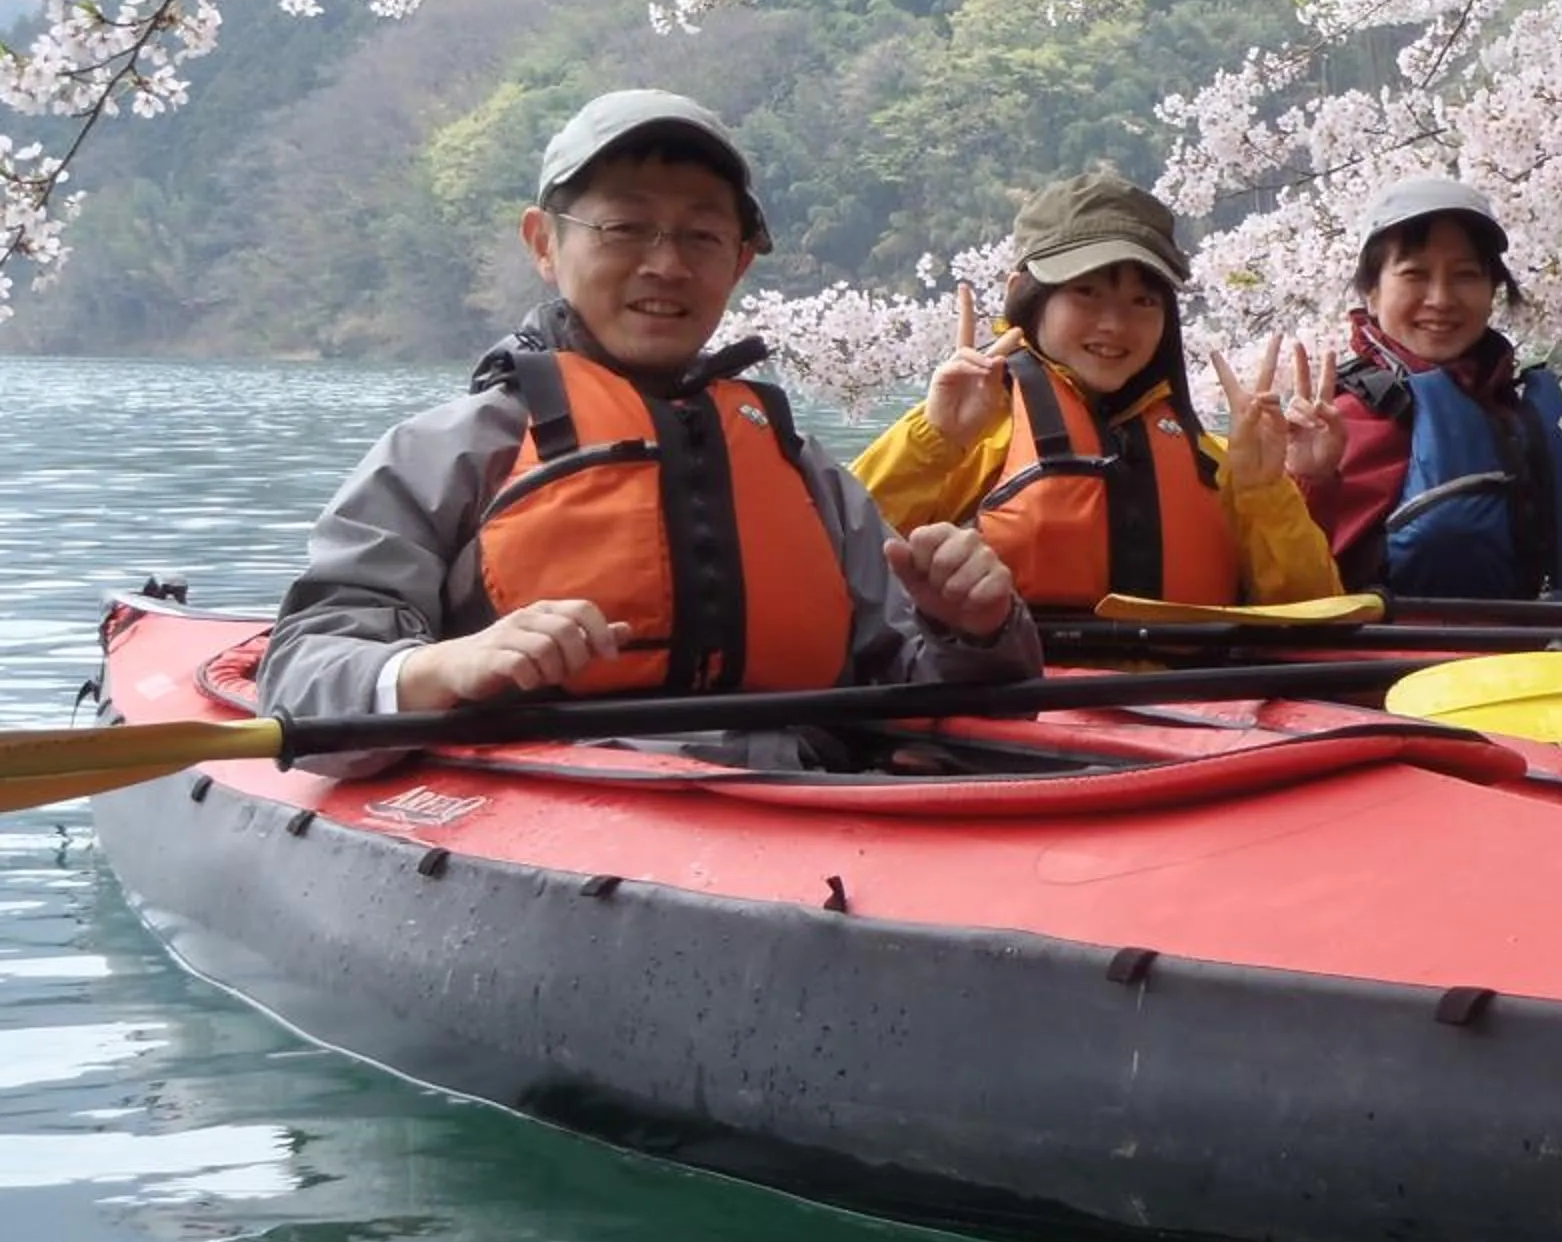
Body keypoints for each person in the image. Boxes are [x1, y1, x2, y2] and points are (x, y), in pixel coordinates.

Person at [260, 90, 1039, 753]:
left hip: (798, 809)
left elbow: (928, 690)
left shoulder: (804, 473)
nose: (666, 264)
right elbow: (303, 669)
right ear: (544, 242)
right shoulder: (450, 454)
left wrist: (975, 632)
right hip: (548, 812)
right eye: (625, 229)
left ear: (738, 265)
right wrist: (443, 667)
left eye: (702, 236)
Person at [852, 171, 1344, 610]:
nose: (1115, 324)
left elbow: (1313, 612)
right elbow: (836, 548)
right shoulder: (972, 431)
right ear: (1025, 291)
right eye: (1086, 292)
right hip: (1020, 699)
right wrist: (935, 439)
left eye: (1142, 300)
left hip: (1193, 701)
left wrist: (1265, 490)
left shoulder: (1215, 460)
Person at [1292, 176, 1562, 599]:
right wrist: (1310, 483)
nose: (1441, 299)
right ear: (1371, 294)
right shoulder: (1334, 429)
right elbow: (1283, 587)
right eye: (1415, 275)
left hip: (1536, 657)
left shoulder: (1533, 424)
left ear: (1492, 291)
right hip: (1384, 663)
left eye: (1465, 275)